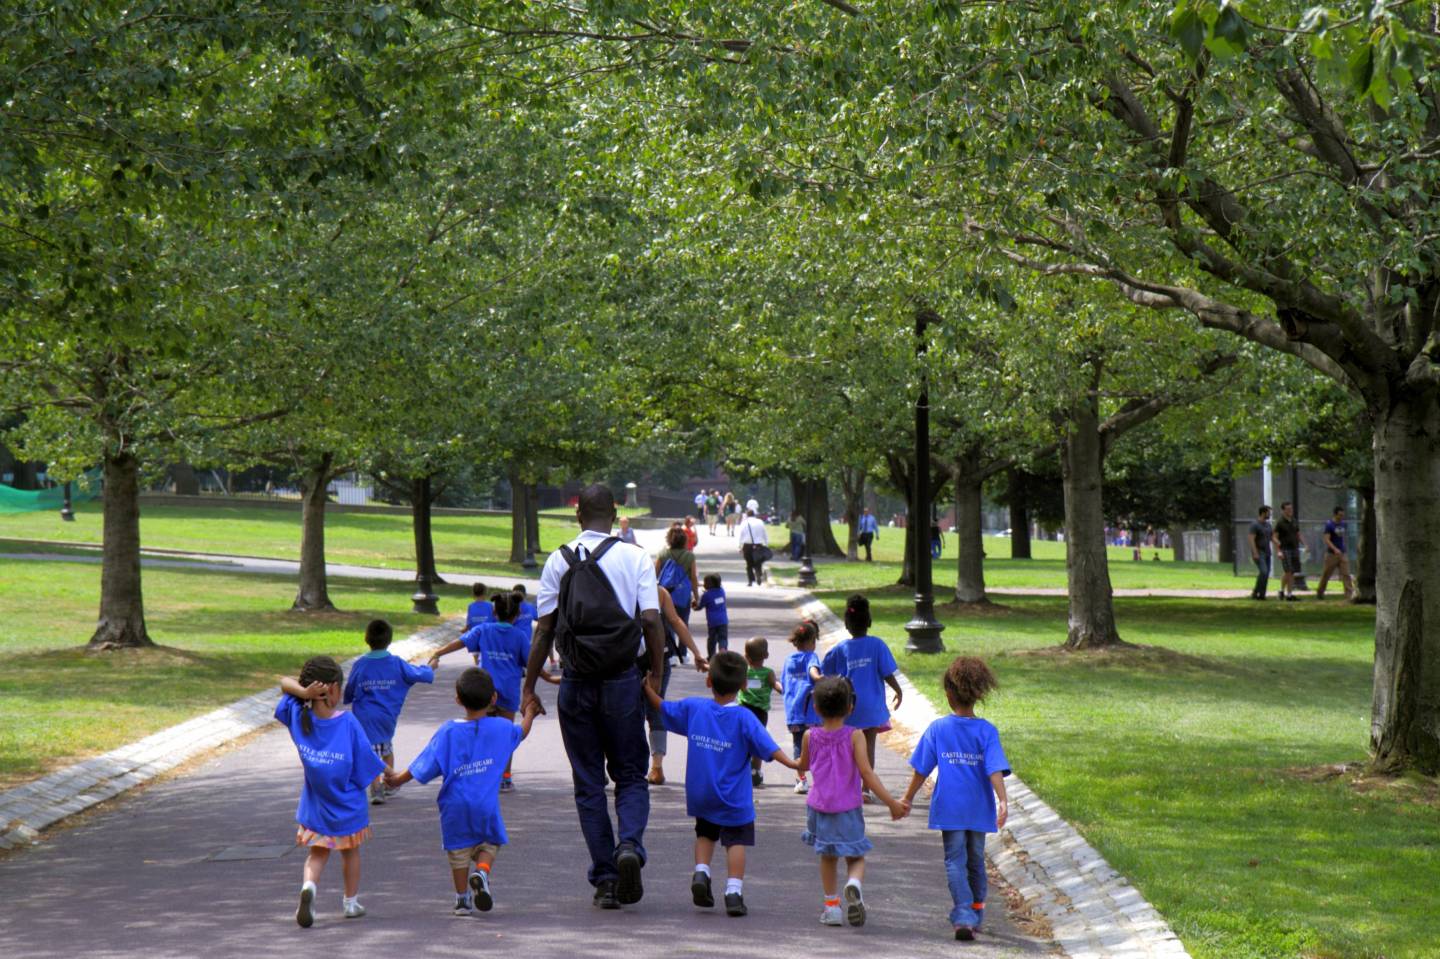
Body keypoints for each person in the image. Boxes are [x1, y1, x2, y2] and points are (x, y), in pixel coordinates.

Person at [521, 484, 667, 910]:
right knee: (631, 776)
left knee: (588, 784)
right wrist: (655, 674)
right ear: (615, 512)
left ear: (578, 515)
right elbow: (652, 622)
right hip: (623, 681)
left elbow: (544, 630)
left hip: (576, 683)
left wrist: (529, 686)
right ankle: (629, 848)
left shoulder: (557, 560)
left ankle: (605, 879)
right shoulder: (635, 556)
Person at [643, 650, 799, 918]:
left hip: (701, 794)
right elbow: (770, 749)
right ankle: (734, 892)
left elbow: (663, 707)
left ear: (708, 682)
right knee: (735, 841)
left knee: (705, 834)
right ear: (742, 685)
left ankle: (701, 873)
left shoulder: (695, 709)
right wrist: (795, 764)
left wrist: (647, 688)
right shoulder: (745, 718)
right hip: (732, 799)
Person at [385, 668, 542, 916]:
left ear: (458, 700)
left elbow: (424, 764)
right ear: (494, 698)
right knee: (491, 842)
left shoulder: (448, 732)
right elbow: (521, 731)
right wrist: (530, 712)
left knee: (458, 851)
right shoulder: (501, 728)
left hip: (453, 805)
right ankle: (481, 872)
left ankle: (461, 900)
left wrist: (397, 780)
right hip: (485, 804)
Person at [900, 657, 1010, 942]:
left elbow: (921, 769)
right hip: (978, 807)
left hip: (950, 808)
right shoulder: (987, 730)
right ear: (978, 694)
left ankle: (963, 913)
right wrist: (1003, 800)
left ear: (949, 694)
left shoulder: (939, 729)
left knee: (954, 861)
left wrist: (908, 797)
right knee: (976, 861)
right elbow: (994, 769)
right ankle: (977, 912)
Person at [276, 656, 386, 927]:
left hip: (316, 808)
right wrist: (385, 779)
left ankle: (309, 888)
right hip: (348, 808)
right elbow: (367, 760)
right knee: (350, 853)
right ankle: (350, 902)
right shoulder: (347, 723)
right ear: (334, 689)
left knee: (317, 854)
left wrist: (302, 694)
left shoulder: (297, 716)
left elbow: (282, 682)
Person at [798, 676, 908, 928]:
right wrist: (891, 802)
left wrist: (788, 761)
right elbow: (867, 773)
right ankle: (854, 884)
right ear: (850, 707)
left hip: (819, 808)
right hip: (847, 807)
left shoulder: (809, 736)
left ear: (816, 707)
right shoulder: (855, 736)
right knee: (855, 855)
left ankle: (832, 907)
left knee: (827, 856)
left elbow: (803, 765)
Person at [428, 592, 547, 791]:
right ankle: (505, 778)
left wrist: (438, 652)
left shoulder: (483, 630)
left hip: (484, 690)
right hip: (508, 692)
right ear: (517, 614)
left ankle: (480, 773)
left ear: (494, 611)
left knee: (479, 732)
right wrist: (549, 677)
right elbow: (532, 663)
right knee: (507, 735)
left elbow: (461, 641)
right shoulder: (519, 636)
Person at [342, 619, 435, 805]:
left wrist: (349, 697)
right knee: (386, 748)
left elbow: (350, 688)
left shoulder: (360, 664)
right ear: (389, 640)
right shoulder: (396, 663)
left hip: (364, 716)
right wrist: (430, 667)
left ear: (367, 639)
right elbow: (420, 674)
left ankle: (376, 787)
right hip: (387, 716)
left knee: (370, 752)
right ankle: (388, 783)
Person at [821, 594, 902, 799]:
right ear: (869, 621)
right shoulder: (877, 645)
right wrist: (898, 690)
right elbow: (887, 673)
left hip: (848, 709)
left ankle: (848, 786)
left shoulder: (840, 650)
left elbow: (826, 674)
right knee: (869, 747)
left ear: (846, 624)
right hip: (872, 707)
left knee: (847, 748)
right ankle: (866, 788)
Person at [645, 586, 709, 786]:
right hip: (658, 658)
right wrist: (696, 652)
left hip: (633, 658)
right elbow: (675, 621)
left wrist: (696, 652)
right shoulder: (658, 591)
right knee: (655, 708)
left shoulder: (620, 586)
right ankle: (656, 766)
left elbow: (675, 621)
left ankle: (637, 766)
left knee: (626, 711)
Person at [783, 620, 823, 795]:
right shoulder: (811, 657)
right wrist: (822, 679)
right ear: (812, 641)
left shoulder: (788, 660)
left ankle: (801, 780)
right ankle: (820, 780)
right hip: (810, 712)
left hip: (793, 712)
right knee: (815, 745)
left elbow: (784, 685)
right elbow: (813, 673)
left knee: (798, 745)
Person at [737, 636, 783, 787]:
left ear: (746, 656)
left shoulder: (744, 671)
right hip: (761, 713)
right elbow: (776, 684)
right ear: (766, 655)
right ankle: (755, 771)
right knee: (757, 739)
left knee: (743, 740)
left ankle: (741, 769)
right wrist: (783, 689)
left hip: (744, 709)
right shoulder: (768, 673)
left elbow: (738, 685)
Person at [655, 525, 701, 623]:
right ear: (685, 540)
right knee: (683, 624)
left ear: (668, 539)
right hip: (683, 595)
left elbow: (654, 575)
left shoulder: (662, 554)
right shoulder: (690, 556)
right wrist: (696, 597)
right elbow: (693, 578)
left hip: (665, 594)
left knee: (666, 626)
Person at [1317, 505, 1354, 600]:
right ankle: (1320, 592)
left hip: (1342, 553)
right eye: (1339, 515)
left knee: (1346, 574)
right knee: (1326, 574)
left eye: (1342, 515)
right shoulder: (1329, 525)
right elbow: (1326, 539)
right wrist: (1334, 549)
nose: (1341, 517)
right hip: (1331, 554)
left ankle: (1349, 594)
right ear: (1335, 514)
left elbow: (1342, 537)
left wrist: (1342, 548)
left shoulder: (1342, 524)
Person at [1272, 502, 1305, 602]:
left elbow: (1298, 534)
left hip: (1294, 548)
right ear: (1283, 510)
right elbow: (1274, 537)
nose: (1290, 511)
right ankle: (1287, 594)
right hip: (1285, 549)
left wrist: (1305, 544)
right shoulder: (1280, 522)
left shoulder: (1294, 521)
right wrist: (1278, 551)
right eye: (1287, 509)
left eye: (1291, 509)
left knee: (1291, 572)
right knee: (1288, 571)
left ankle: (1284, 592)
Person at [699, 573, 729, 658]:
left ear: (710, 584)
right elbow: (714, 596)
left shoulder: (706, 595)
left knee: (712, 640)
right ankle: (723, 651)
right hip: (723, 620)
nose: (704, 584)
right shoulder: (722, 591)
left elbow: (699, 606)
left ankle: (711, 656)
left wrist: (694, 604)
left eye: (705, 583)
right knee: (723, 638)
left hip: (712, 622)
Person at [738, 508, 770, 586]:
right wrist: (766, 543)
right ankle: (758, 573)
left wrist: (739, 546)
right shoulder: (760, 522)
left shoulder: (744, 523)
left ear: (747, 515)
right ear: (754, 514)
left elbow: (740, 535)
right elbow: (764, 533)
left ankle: (750, 581)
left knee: (749, 564)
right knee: (758, 562)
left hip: (747, 545)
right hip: (758, 544)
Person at [1248, 505, 1273, 601]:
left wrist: (1278, 543)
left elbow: (1271, 537)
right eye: (1268, 512)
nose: (1270, 514)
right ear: (1263, 513)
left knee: (1266, 574)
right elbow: (1251, 539)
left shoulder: (1268, 525)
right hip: (1259, 551)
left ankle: (1261, 594)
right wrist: (1255, 552)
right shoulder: (1255, 525)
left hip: (1267, 552)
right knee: (1263, 571)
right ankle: (1256, 592)